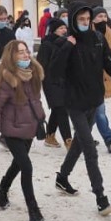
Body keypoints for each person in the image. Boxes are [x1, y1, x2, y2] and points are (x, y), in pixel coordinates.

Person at [50, 3, 111, 216]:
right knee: (90, 150)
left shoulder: (97, 39)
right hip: (74, 103)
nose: (85, 22)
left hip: (94, 101)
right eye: (81, 19)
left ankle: (62, 177)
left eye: (87, 19)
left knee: (78, 144)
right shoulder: (64, 42)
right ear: (73, 21)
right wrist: (67, 46)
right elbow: (54, 72)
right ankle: (101, 198)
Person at [0, 40, 48, 221]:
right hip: (12, 130)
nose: (26, 55)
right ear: (11, 56)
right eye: (20, 53)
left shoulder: (34, 73)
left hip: (29, 128)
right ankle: (34, 212)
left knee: (18, 164)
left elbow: (35, 101)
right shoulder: (6, 79)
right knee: (26, 167)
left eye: (26, 51)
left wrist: (41, 119)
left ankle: (2, 188)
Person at [92, 6, 111, 153]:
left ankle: (107, 140)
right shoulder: (87, 33)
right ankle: (107, 140)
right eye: (99, 16)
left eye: (105, 16)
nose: (103, 19)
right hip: (88, 80)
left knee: (97, 112)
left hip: (104, 78)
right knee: (96, 113)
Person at [37, 17, 70, 148]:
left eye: (65, 28)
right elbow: (41, 64)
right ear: (54, 30)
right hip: (50, 81)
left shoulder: (67, 42)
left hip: (64, 80)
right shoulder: (47, 44)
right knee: (61, 109)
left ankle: (50, 136)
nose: (64, 30)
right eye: (61, 28)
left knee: (58, 108)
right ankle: (69, 140)